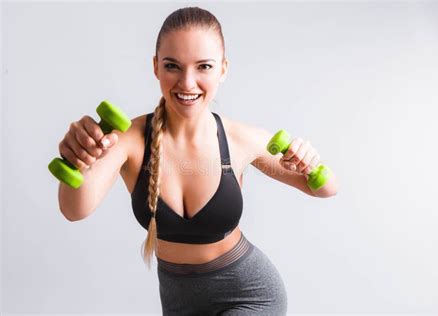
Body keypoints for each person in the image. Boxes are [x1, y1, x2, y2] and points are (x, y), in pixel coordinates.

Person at [57, 6, 338, 316]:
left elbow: (324, 189)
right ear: (156, 67)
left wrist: (310, 163)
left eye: (203, 66)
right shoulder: (128, 140)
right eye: (172, 66)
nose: (187, 83)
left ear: (223, 69)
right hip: (178, 302)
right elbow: (74, 210)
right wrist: (77, 160)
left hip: (250, 295)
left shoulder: (240, 139)